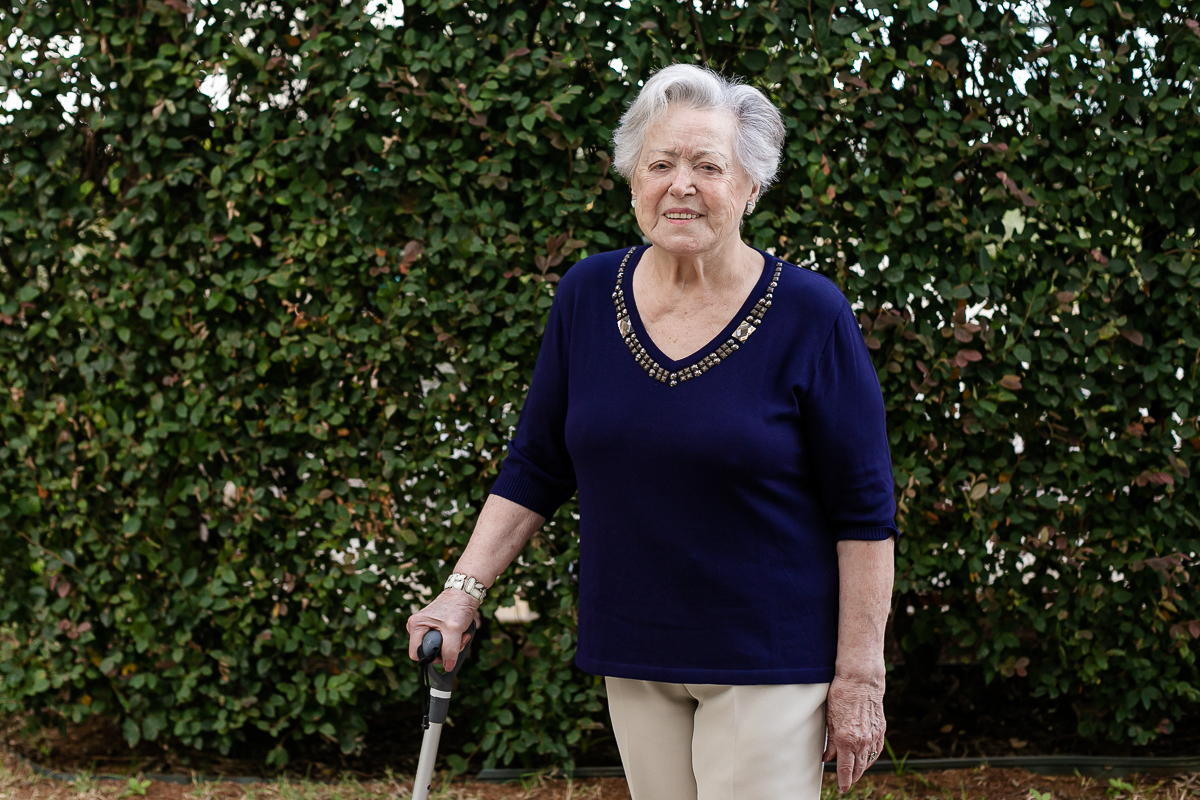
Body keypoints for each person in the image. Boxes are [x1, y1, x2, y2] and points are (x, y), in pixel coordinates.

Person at [406, 63, 897, 799]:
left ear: (750, 188)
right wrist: (461, 592)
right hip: (634, 648)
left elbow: (864, 512)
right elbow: (536, 463)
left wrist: (860, 674)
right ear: (633, 181)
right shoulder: (585, 295)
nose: (682, 185)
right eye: (660, 164)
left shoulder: (810, 313)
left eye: (708, 166)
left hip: (768, 656)